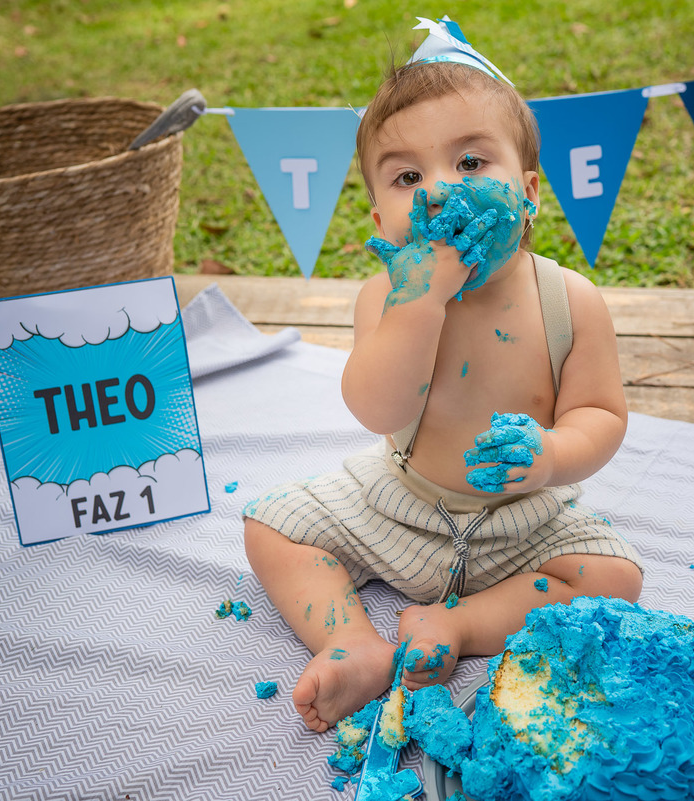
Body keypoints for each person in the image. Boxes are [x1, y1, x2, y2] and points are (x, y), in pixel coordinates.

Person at [242, 17, 643, 734]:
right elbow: (376, 405)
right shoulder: (384, 295)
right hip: (402, 499)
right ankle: (351, 641)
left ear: (528, 193)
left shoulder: (568, 299)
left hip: (525, 519)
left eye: (469, 164)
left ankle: (463, 624)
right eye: (407, 176)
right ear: (378, 215)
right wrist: (416, 304)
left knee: (615, 578)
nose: (439, 193)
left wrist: (551, 455)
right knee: (271, 528)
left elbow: (601, 416)